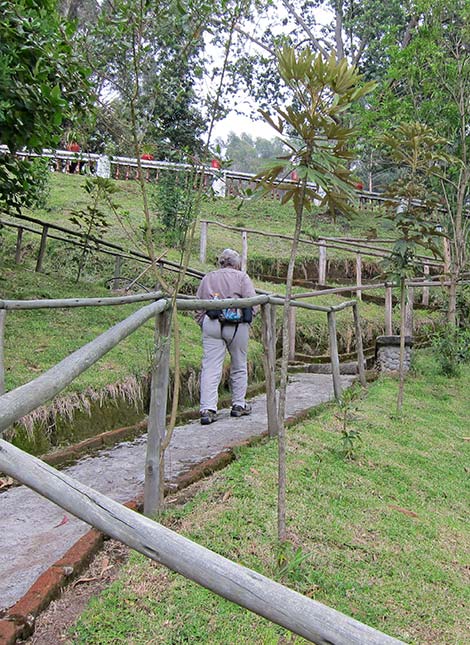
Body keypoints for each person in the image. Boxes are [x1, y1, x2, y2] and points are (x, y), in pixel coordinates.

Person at [196, 248, 257, 425]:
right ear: (236, 263)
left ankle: (207, 409)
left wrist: (203, 322)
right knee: (239, 363)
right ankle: (238, 404)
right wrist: (248, 321)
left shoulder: (208, 277)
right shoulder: (242, 277)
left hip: (212, 322)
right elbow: (253, 303)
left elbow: (198, 304)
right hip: (237, 325)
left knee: (210, 366)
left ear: (221, 262)